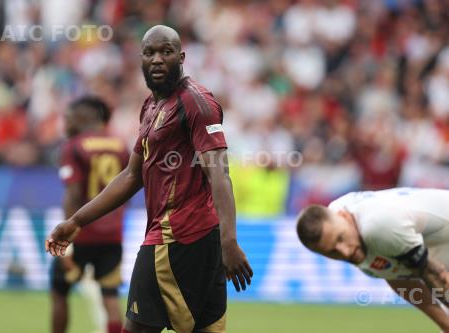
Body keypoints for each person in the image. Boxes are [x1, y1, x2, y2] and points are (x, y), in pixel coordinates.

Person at [45, 25, 253, 333]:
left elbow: (219, 171)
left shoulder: (196, 103)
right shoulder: (151, 105)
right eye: (150, 53)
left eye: (166, 52)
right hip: (187, 238)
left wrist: (229, 240)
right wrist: (77, 221)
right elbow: (131, 175)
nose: (157, 59)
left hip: (177, 238)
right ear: (140, 59)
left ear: (181, 57)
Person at [296, 187, 449, 331]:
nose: (345, 252)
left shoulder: (378, 226)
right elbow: (397, 276)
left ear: (344, 216)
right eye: (332, 252)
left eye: (340, 239)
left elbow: (437, 275)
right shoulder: (341, 227)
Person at [50, 96, 130, 333]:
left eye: (68, 117)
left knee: (59, 292)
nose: (65, 124)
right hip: (112, 235)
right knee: (111, 298)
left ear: (85, 116)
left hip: (80, 234)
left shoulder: (74, 146)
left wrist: (67, 236)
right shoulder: (121, 145)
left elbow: (73, 195)